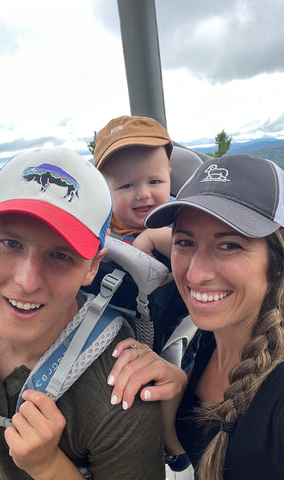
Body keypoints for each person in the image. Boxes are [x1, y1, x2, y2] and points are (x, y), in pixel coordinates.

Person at [0, 147, 174, 480]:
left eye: (60, 255)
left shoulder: (120, 387)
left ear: (92, 268)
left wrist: (49, 468)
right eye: (11, 244)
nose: (27, 282)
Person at [107, 154, 284, 479]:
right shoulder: (208, 340)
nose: (196, 273)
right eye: (185, 242)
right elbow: (194, 456)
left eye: (229, 245)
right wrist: (175, 394)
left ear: (276, 262)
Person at [94, 115, 174, 258]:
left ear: (168, 175)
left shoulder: (185, 218)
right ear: (104, 188)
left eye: (154, 182)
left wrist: (179, 244)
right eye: (127, 185)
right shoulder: (97, 229)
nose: (144, 194)